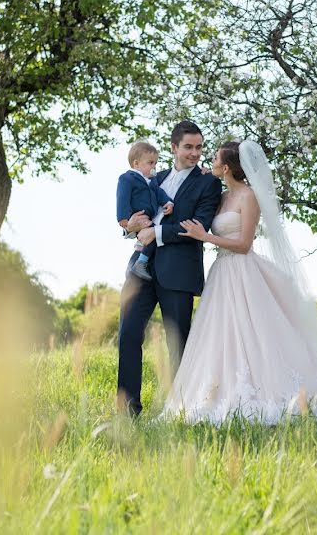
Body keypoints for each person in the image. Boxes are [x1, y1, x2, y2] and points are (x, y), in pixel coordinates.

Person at [160, 140, 317, 424]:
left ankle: (272, 393)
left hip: (242, 271)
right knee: (221, 336)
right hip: (222, 275)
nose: (209, 161)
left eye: (214, 158)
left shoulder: (249, 196)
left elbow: (244, 244)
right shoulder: (223, 196)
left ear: (226, 167)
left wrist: (206, 237)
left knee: (254, 335)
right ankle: (216, 391)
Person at [116, 120, 223, 417]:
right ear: (174, 147)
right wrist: (132, 228)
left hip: (178, 271)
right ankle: (127, 411)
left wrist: (158, 234)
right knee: (127, 335)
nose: (195, 153)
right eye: (188, 147)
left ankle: (181, 411)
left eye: (199, 147)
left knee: (178, 344)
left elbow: (199, 225)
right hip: (140, 270)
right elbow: (133, 217)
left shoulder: (208, 182)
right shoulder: (152, 177)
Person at [116, 141, 175, 281]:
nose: (154, 167)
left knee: (153, 234)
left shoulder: (151, 181)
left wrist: (168, 202)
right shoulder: (127, 178)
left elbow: (159, 192)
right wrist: (123, 219)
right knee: (154, 233)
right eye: (150, 163)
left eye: (155, 163)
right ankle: (141, 261)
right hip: (137, 216)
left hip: (148, 217)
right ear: (136, 164)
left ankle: (141, 254)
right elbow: (122, 197)